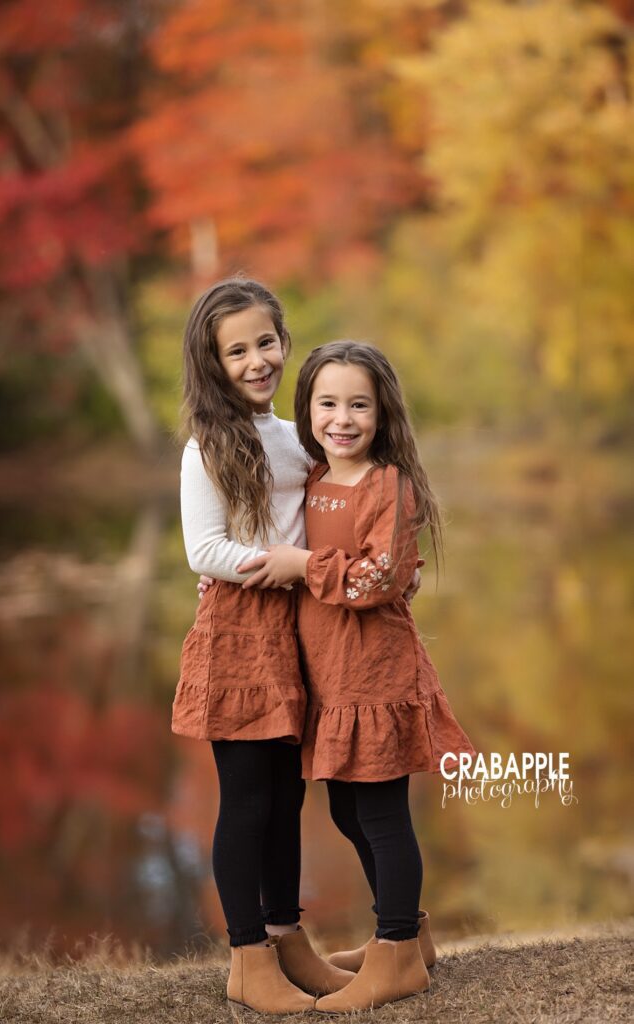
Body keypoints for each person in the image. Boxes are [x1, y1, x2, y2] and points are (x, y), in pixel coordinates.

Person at [236, 340, 476, 1012]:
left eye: (358, 404)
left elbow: (380, 577)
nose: (342, 417)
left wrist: (301, 567)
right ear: (307, 408)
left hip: (374, 675)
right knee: (346, 808)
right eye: (328, 403)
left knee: (379, 811)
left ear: (381, 411)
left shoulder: (386, 485)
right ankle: (410, 940)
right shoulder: (313, 480)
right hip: (330, 677)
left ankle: (395, 950)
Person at [172, 278, 358, 1013]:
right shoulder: (208, 447)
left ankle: (289, 942)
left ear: (284, 342)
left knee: (289, 799)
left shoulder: (296, 439)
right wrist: (279, 570)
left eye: (265, 342)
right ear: (212, 363)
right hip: (240, 634)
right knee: (246, 802)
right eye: (237, 350)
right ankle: (247, 959)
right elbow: (202, 550)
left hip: (301, 632)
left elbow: (319, 517)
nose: (256, 360)